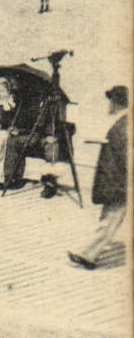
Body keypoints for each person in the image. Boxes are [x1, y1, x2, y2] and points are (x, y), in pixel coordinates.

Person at [70, 85, 128, 269]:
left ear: (117, 103)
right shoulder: (122, 121)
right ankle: (88, 253)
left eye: (110, 100)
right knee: (111, 216)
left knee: (111, 216)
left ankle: (88, 254)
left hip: (119, 180)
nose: (108, 104)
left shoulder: (124, 124)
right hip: (117, 180)